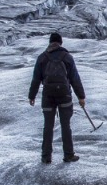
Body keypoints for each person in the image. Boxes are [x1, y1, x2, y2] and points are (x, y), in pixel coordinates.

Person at [28, 32, 86, 164]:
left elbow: (36, 79)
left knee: (48, 126)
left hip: (48, 96)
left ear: (50, 42)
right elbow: (74, 79)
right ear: (60, 43)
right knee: (66, 125)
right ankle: (69, 155)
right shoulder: (67, 57)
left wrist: (32, 96)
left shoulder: (42, 58)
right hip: (64, 96)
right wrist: (81, 97)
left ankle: (46, 156)